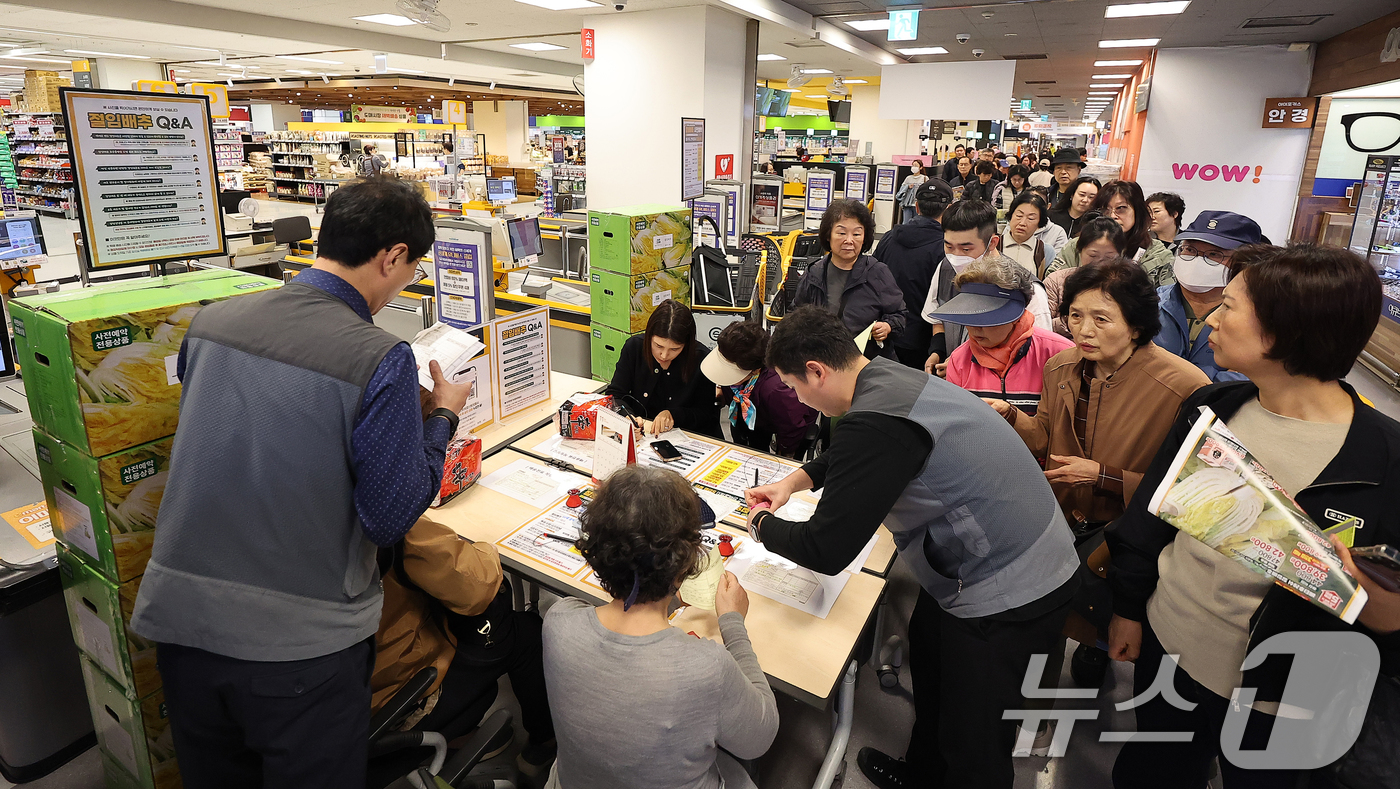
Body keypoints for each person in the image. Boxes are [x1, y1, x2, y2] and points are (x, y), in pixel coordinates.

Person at [131, 178, 473, 788]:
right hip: (297, 651)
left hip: (182, 626)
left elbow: (254, 433)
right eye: (412, 266)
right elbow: (388, 517)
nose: (407, 280)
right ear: (392, 256)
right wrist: (441, 418)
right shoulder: (377, 356)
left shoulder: (211, 324)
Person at [742, 306, 1081, 789]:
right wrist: (795, 480)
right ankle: (923, 774)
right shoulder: (880, 376)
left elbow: (825, 548)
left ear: (816, 371)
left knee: (976, 737)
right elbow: (853, 453)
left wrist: (759, 523)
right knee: (935, 671)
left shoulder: (875, 419)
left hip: (1013, 585)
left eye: (796, 388)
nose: (799, 400)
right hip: (985, 560)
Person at [1106, 245, 1400, 789]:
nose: (1212, 317)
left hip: (1286, 691)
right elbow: (1153, 518)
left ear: (1287, 330)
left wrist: (1372, 599)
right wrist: (1128, 607)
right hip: (1171, 645)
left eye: (1230, 306)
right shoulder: (1212, 409)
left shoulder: (1383, 460)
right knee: (1153, 771)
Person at [989, 258, 1210, 686]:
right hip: (1063, 521)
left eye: (1101, 318)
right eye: (1075, 315)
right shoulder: (1060, 368)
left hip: (1124, 537)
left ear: (1136, 325)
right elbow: (1047, 441)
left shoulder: (1184, 386)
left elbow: (1194, 493)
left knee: (1108, 629)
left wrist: (1105, 476)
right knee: (1046, 618)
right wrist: (1013, 416)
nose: (1082, 330)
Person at [544, 465, 778, 789]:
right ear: (684, 568)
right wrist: (733, 622)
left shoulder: (558, 621)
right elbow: (760, 737)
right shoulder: (706, 667)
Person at [371, 516, 555, 781]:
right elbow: (477, 583)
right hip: (389, 708)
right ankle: (542, 746)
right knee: (520, 631)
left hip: (318, 712)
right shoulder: (385, 518)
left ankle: (459, 734)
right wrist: (486, 548)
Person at [921, 200, 1053, 374]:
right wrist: (937, 352)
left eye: (966, 249)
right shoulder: (945, 268)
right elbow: (937, 317)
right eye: (949, 246)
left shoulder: (1027, 289)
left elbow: (1037, 351)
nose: (956, 256)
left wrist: (964, 363)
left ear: (992, 242)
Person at [931, 257, 1073, 415]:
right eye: (969, 316)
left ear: (1016, 316)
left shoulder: (1060, 355)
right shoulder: (959, 361)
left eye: (988, 318)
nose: (975, 327)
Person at [1155, 211, 1265, 383]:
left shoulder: (1259, 316)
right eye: (1190, 250)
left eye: (1214, 254)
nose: (1196, 261)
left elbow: (1260, 375)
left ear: (1246, 262)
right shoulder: (1151, 303)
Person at [792, 198, 906, 359]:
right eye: (841, 233)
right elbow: (796, 313)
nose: (849, 240)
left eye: (857, 233)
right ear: (828, 236)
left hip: (867, 364)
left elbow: (899, 315)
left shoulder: (877, 272)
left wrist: (887, 326)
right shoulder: (815, 272)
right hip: (823, 362)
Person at [702, 320, 818, 458]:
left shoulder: (777, 389)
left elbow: (792, 425)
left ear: (752, 371)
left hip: (788, 421)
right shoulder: (734, 356)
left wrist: (785, 452)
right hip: (751, 413)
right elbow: (729, 379)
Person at [605, 300, 720, 437]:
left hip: (689, 436)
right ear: (649, 336)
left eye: (675, 349)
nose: (664, 355)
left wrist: (673, 415)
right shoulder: (634, 348)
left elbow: (706, 413)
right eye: (658, 346)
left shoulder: (703, 359)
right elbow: (614, 395)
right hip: (644, 433)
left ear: (686, 345)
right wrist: (627, 417)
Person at [873, 178, 954, 369]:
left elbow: (872, 279)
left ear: (916, 206)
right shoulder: (948, 248)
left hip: (885, 335)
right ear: (949, 209)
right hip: (927, 344)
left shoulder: (888, 237)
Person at [1049, 180, 1173, 286]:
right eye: (1105, 209)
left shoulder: (1157, 255)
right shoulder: (1076, 245)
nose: (1113, 216)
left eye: (1121, 209)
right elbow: (1052, 283)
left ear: (1137, 211)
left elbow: (1168, 299)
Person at [1044, 217, 1127, 336]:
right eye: (1093, 256)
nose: (1100, 263)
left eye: (1109, 258)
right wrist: (1069, 321)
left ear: (1120, 254)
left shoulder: (1127, 285)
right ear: (1079, 251)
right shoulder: (1056, 281)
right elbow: (1041, 324)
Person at [1000, 192, 1062, 279]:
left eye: (1030, 218)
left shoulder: (1045, 251)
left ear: (1039, 223)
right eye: (1019, 216)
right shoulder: (993, 245)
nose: (1022, 223)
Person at [895, 159, 929, 223]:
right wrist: (907, 187)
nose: (914, 167)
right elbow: (901, 190)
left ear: (921, 167)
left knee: (918, 222)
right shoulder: (908, 178)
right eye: (913, 165)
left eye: (916, 165)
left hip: (918, 204)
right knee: (906, 222)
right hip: (907, 204)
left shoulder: (924, 178)